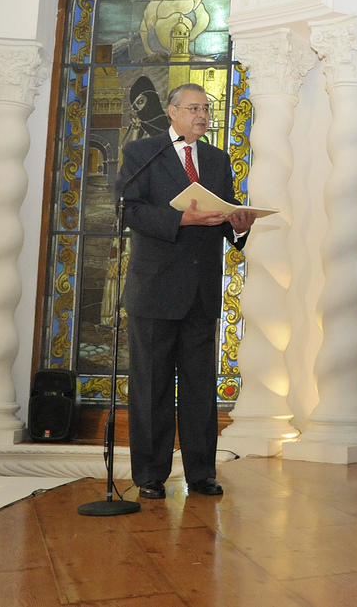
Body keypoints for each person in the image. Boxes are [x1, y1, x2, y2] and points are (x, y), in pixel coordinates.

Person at [119, 83, 256, 499]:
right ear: (173, 112)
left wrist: (239, 225)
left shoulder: (215, 160)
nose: (203, 115)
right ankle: (149, 476)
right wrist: (180, 222)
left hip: (200, 292)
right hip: (155, 289)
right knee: (152, 386)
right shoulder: (144, 154)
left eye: (206, 109)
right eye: (194, 108)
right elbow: (130, 209)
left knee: (200, 388)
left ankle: (200, 473)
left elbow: (227, 210)